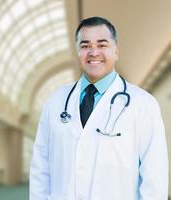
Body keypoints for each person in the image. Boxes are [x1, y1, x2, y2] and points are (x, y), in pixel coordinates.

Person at [29, 16, 169, 200]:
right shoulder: (55, 101)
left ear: (116, 51)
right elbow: (41, 167)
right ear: (77, 51)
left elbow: (154, 176)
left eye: (102, 45)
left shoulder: (143, 104)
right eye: (85, 45)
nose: (93, 52)